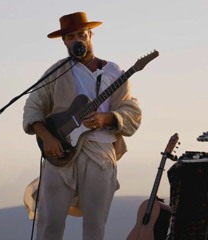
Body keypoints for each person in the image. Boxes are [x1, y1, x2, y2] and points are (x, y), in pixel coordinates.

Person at [23, 11, 142, 240]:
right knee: (50, 223)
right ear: (64, 41)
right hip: (60, 152)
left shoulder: (113, 71)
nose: (76, 40)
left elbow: (131, 110)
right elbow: (33, 105)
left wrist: (106, 119)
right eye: (70, 37)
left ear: (90, 34)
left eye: (81, 34)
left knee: (95, 226)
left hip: (99, 152)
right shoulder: (56, 72)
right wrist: (47, 137)